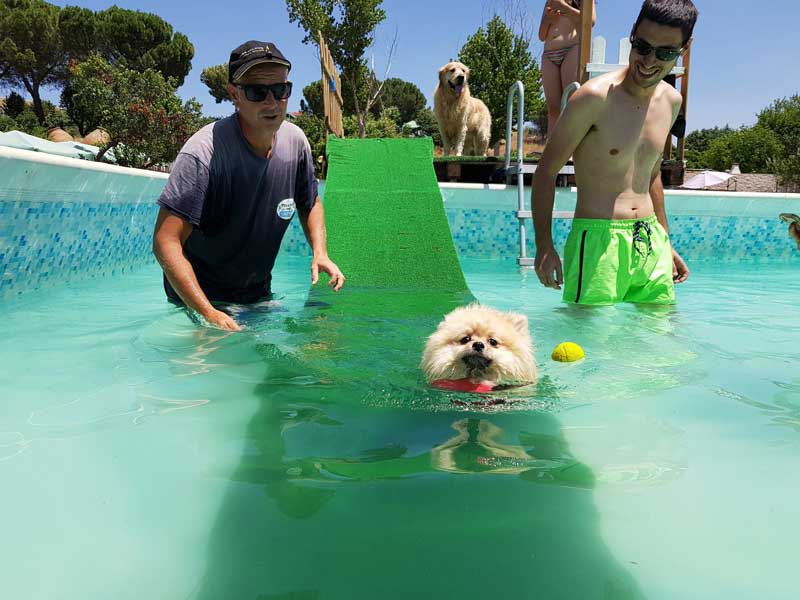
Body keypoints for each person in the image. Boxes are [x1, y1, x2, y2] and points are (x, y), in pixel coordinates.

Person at [152, 41, 345, 331]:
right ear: (234, 94)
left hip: (256, 295)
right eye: (257, 92)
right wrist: (209, 314)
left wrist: (320, 252)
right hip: (198, 301)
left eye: (280, 91)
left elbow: (310, 202)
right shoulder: (204, 153)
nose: (272, 102)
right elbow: (165, 242)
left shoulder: (296, 143)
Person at [532, 0, 697, 305]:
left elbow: (651, 176)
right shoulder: (593, 98)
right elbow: (546, 171)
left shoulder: (672, 101)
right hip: (597, 240)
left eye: (665, 53)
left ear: (684, 49)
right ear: (633, 33)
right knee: (589, 342)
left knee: (662, 341)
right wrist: (544, 246)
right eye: (642, 47)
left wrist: (666, 243)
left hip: (651, 240)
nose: (649, 61)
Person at [538, 0, 596, 136]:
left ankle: (568, 152)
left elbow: (590, 22)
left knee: (570, 104)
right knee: (553, 109)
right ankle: (551, 150)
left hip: (571, 50)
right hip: (549, 54)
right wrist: (548, 19)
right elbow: (541, 35)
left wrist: (564, 8)